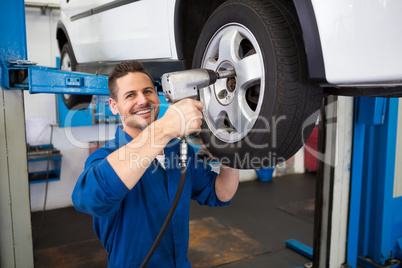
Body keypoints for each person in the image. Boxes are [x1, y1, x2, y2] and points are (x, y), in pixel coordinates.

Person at [72, 60, 239, 268]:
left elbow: (219, 193)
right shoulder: (106, 158)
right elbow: (90, 198)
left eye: (148, 91)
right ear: (114, 106)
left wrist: (232, 150)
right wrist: (164, 129)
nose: (143, 100)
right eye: (130, 95)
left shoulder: (178, 152)